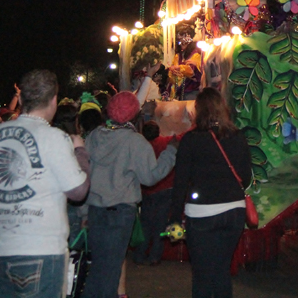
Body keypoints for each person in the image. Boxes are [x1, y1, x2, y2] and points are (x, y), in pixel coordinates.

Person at [0, 70, 90, 298]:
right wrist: (80, 152)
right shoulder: (54, 137)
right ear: (54, 99)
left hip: (0, 248)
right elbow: (78, 191)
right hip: (41, 250)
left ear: (23, 98)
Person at [83, 91, 178, 298]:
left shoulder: (94, 136)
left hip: (95, 210)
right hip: (120, 212)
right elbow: (150, 177)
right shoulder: (135, 142)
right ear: (134, 115)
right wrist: (170, 153)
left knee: (98, 266)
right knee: (111, 269)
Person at [169, 88, 252, 298]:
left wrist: (174, 220)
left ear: (198, 111)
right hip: (234, 211)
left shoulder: (190, 140)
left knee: (202, 274)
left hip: (202, 213)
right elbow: (246, 177)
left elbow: (180, 183)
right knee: (222, 270)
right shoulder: (238, 137)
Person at [133, 121, 178, 266]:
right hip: (166, 190)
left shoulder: (141, 147)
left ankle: (140, 255)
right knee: (160, 224)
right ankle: (155, 256)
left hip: (147, 191)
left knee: (145, 224)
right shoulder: (166, 143)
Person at [168, 25, 203, 100]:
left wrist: (179, 68)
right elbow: (171, 75)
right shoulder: (177, 56)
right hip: (178, 93)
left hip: (191, 92)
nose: (181, 43)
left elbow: (192, 71)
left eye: (184, 41)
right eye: (179, 41)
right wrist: (173, 71)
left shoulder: (196, 54)